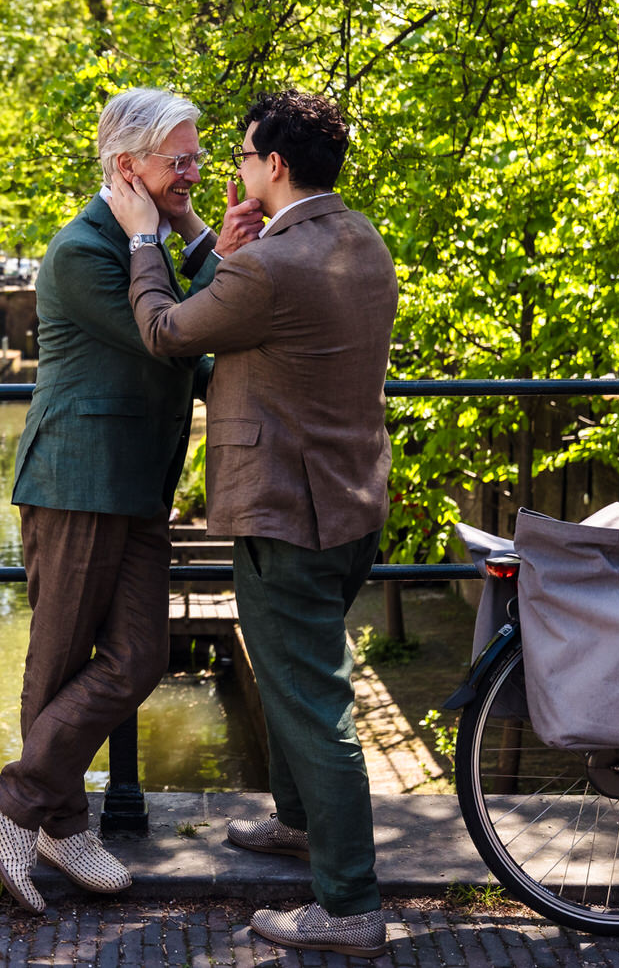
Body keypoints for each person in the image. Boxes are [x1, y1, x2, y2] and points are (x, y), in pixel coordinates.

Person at [109, 89, 398, 959]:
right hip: (352, 505)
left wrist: (143, 240)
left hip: (287, 515)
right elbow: (251, 290)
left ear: (273, 165)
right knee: (299, 683)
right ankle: (298, 824)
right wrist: (205, 228)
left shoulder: (273, 267)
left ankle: (348, 905)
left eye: (238, 156)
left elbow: (167, 329)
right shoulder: (358, 242)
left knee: (314, 705)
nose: (230, 169)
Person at [0, 87, 260, 913]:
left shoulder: (145, 245)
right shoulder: (84, 250)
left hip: (134, 489)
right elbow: (164, 333)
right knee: (57, 661)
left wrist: (214, 249)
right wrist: (203, 257)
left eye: (199, 156)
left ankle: (19, 803)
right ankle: (60, 821)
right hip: (75, 484)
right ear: (127, 165)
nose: (195, 172)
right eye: (180, 158)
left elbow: (186, 334)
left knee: (141, 656)